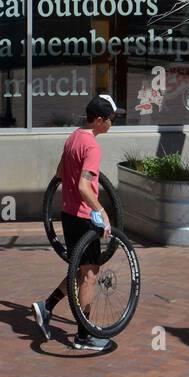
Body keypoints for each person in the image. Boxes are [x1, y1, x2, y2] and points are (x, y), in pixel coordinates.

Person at [32, 94, 122, 351]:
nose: (112, 125)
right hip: (84, 217)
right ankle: (84, 335)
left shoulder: (74, 137)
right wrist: (102, 211)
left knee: (79, 271)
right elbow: (84, 186)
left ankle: (46, 307)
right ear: (100, 120)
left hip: (68, 214)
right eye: (112, 120)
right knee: (90, 275)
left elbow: (60, 173)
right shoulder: (92, 146)